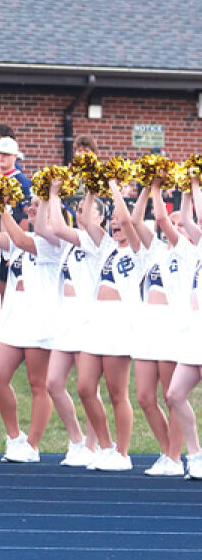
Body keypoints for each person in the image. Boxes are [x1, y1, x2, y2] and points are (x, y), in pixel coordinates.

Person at [50, 180, 141, 471]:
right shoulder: (105, 247)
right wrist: (91, 186)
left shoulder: (141, 249)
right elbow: (86, 220)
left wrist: (114, 186)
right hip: (96, 322)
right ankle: (105, 446)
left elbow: (128, 219)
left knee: (117, 393)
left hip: (119, 324)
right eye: (111, 219)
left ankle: (123, 453)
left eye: (118, 219)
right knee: (85, 388)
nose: (116, 223)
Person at [0, 196, 55, 463]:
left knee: (38, 384)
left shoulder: (52, 243)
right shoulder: (19, 238)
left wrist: (2, 207)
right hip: (14, 318)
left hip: (40, 318)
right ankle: (15, 437)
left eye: (39, 205)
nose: (32, 208)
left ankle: (32, 445)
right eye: (31, 205)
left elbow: (22, 240)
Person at [133, 177, 196, 476]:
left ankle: (174, 458)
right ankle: (167, 452)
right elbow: (136, 220)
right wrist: (146, 187)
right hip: (148, 328)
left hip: (173, 328)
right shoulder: (157, 250)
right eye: (173, 224)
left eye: (181, 224)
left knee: (173, 395)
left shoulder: (188, 252)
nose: (176, 227)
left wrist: (157, 183)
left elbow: (160, 216)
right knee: (145, 396)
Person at [41, 187, 102, 466]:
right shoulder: (68, 242)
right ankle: (77, 440)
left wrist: (55, 193)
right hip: (65, 320)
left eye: (88, 211)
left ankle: (95, 444)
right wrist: (44, 196)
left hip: (87, 319)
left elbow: (59, 225)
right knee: (53, 383)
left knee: (88, 387)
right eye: (77, 211)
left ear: (100, 218)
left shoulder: (94, 240)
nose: (81, 215)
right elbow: (44, 226)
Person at [163, 174, 202, 479]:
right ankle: (196, 455)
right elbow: (188, 220)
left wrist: (196, 185)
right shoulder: (197, 246)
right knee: (175, 394)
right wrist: (188, 189)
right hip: (194, 330)